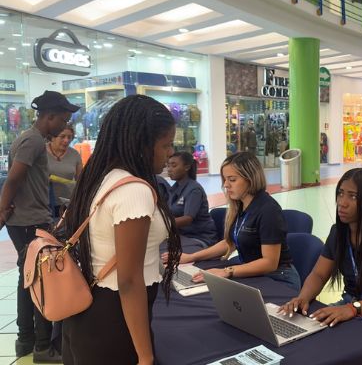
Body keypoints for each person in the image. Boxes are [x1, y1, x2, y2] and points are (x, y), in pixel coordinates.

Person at [61, 95, 182, 365]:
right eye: (166, 145)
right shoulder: (133, 191)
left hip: (87, 310)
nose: (170, 153)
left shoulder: (99, 177)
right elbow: (128, 281)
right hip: (114, 322)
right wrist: (145, 355)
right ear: (142, 145)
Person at [279, 168, 362, 354]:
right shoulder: (339, 232)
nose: (342, 203)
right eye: (341, 194)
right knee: (302, 342)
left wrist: (354, 308)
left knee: (346, 353)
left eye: (352, 196)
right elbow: (319, 274)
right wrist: (303, 297)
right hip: (348, 306)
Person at [0, 90, 79, 362]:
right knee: (41, 283)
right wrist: (2, 211)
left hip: (28, 220)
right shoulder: (33, 141)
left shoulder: (30, 139)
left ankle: (26, 342)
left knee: (27, 281)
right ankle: (43, 348)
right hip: (29, 223)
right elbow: (13, 180)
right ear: (50, 116)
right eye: (64, 120)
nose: (65, 126)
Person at [163, 151, 300, 291]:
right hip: (252, 272)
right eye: (225, 180)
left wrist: (227, 271)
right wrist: (191, 257)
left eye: (232, 180)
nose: (226, 185)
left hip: (277, 278)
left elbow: (269, 263)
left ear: (250, 178)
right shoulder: (240, 205)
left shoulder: (268, 210)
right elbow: (230, 242)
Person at [166, 151, 220, 247]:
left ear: (187, 167)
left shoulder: (194, 190)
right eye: (168, 166)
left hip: (200, 237)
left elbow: (187, 219)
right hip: (182, 236)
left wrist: (163, 224)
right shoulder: (173, 188)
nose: (169, 169)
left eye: (173, 166)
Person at [47, 125, 82, 217]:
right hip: (45, 205)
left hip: (68, 205)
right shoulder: (40, 152)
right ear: (52, 137)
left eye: (69, 137)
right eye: (62, 136)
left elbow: (81, 181)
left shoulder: (75, 154)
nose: (66, 140)